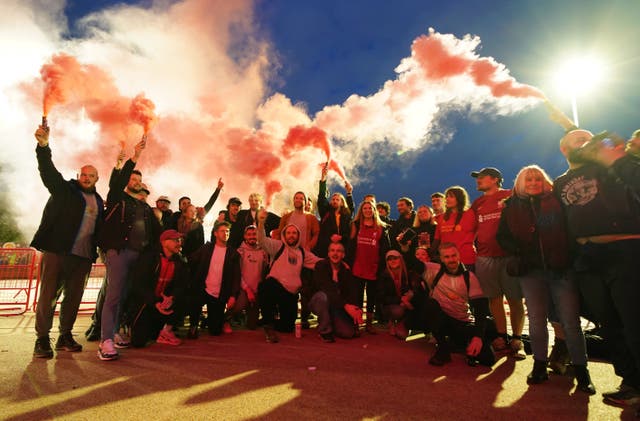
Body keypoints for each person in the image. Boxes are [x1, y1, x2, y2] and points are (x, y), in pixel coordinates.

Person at [549, 119, 640, 405]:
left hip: (625, 249)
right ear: (564, 149)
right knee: (609, 325)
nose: (585, 142)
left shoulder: (609, 167)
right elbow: (555, 222)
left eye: (589, 138)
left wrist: (618, 157)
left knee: (635, 321)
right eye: (578, 139)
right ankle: (631, 382)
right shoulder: (560, 184)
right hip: (587, 259)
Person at [497, 165, 595, 393]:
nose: (533, 182)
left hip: (561, 269)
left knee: (571, 322)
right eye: (528, 179)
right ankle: (539, 365)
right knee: (537, 320)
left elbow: (571, 230)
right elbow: (503, 236)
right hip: (531, 271)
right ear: (520, 183)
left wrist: (568, 257)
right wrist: (519, 252)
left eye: (537, 178)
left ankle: (582, 371)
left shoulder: (557, 201)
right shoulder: (511, 206)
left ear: (544, 180)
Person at [31, 122, 104, 358]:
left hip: (82, 258)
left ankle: (65, 335)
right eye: (83, 174)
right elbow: (48, 172)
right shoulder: (65, 191)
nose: (86, 177)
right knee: (48, 297)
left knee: (73, 298)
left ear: (97, 178)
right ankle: (42, 339)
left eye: (91, 175)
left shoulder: (99, 201)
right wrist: (43, 146)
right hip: (57, 252)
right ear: (78, 175)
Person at [97, 136, 162, 361]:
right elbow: (117, 181)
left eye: (138, 179)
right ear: (126, 181)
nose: (135, 181)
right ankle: (105, 340)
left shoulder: (144, 207)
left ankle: (114, 333)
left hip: (139, 256)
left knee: (124, 295)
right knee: (114, 295)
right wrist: (134, 157)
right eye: (132, 178)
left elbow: (157, 233)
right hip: (119, 252)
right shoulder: (118, 199)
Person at [470, 167, 525, 359]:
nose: (478, 181)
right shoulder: (477, 203)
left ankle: (517, 339)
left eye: (482, 178)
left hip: (509, 256)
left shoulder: (511, 195)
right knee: (494, 299)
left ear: (495, 179)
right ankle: (502, 336)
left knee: (515, 299)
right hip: (485, 257)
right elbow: (470, 228)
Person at [422, 243, 495, 367]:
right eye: (447, 257)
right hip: (442, 320)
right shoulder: (434, 270)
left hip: (462, 321)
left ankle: (460, 344)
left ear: (459, 255)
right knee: (429, 305)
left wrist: (478, 337)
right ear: (441, 259)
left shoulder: (469, 277)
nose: (451, 259)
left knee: (488, 359)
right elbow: (411, 264)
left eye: (453, 255)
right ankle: (443, 349)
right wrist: (405, 247)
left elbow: (480, 307)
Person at [256, 208, 321, 343]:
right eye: (289, 233)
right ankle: (268, 322)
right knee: (266, 286)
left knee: (287, 327)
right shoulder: (277, 246)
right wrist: (261, 223)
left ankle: (271, 322)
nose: (291, 235)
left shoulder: (302, 253)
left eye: (294, 233)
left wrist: (337, 261)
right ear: (284, 234)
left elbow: (319, 263)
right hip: (275, 286)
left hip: (290, 293)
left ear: (298, 236)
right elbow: (262, 240)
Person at [128, 229, 188, 348]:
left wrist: (172, 298)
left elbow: (181, 285)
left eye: (180, 240)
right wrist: (155, 302)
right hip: (146, 303)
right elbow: (138, 285)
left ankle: (167, 330)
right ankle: (131, 325)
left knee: (188, 298)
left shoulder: (179, 261)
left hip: (164, 302)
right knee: (138, 343)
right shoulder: (149, 257)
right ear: (164, 242)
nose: (179, 242)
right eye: (175, 240)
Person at [188, 221, 241, 337]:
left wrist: (233, 295)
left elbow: (237, 276)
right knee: (194, 301)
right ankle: (193, 325)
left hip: (219, 293)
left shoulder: (233, 253)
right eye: (222, 231)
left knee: (215, 331)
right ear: (215, 233)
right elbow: (191, 260)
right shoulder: (206, 248)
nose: (225, 233)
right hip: (203, 288)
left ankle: (209, 321)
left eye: (227, 231)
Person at [347, 200, 390, 334]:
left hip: (374, 267)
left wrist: (382, 266)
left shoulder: (381, 227)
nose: (367, 210)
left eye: (369, 208)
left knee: (371, 297)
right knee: (357, 296)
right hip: (358, 265)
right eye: (364, 208)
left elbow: (386, 249)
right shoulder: (355, 225)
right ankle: (356, 322)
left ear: (374, 210)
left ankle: (369, 324)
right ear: (361, 211)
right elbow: (350, 244)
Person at [309, 242, 363, 342]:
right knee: (323, 296)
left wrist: (356, 309)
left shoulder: (346, 270)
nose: (335, 253)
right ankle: (325, 330)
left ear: (343, 255)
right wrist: (346, 306)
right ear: (328, 253)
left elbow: (352, 292)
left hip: (336, 305)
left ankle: (331, 321)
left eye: (339, 251)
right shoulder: (321, 266)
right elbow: (327, 289)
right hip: (318, 301)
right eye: (332, 250)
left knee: (348, 333)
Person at [229, 225, 269, 330]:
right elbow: (237, 275)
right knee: (238, 306)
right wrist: (247, 290)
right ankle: (227, 318)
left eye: (254, 234)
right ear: (244, 236)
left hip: (256, 290)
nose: (252, 237)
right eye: (249, 234)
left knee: (252, 326)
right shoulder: (240, 252)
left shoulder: (263, 252)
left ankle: (246, 316)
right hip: (243, 289)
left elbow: (264, 273)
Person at [378, 250, 424, 340]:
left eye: (395, 258)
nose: (392, 261)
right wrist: (401, 300)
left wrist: (409, 296)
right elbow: (381, 297)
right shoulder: (384, 275)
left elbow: (415, 290)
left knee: (402, 335)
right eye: (389, 259)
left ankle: (401, 322)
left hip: (405, 304)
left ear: (401, 259)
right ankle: (391, 321)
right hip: (390, 306)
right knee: (398, 311)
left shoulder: (407, 274)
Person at [313, 164, 354, 258]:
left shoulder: (346, 215)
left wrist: (349, 193)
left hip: (343, 250)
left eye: (337, 199)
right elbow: (322, 198)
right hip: (325, 249)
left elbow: (351, 208)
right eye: (333, 199)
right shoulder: (326, 213)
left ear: (342, 203)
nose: (334, 201)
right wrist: (323, 179)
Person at [432, 187, 477, 270]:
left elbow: (479, 232)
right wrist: (430, 255)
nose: (447, 199)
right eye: (447, 197)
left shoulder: (470, 214)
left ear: (459, 198)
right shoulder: (442, 218)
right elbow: (437, 239)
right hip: (447, 262)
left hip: (466, 260)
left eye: (451, 196)